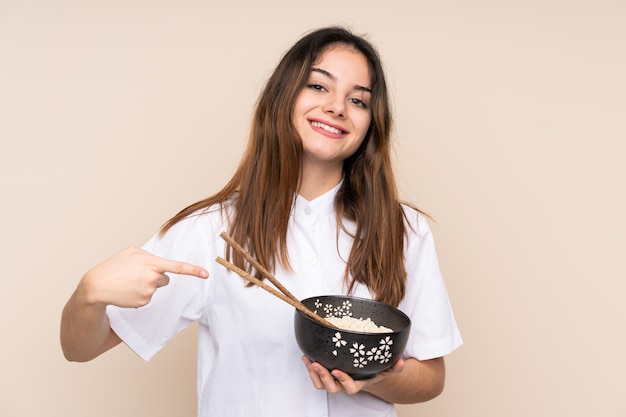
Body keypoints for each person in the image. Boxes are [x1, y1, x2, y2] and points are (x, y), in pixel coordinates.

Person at [60, 26, 462, 417]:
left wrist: (368, 377)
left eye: (358, 100)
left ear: (371, 122)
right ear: (283, 96)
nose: (337, 107)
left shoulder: (404, 229)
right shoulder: (210, 230)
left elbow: (431, 378)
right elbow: (79, 348)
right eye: (318, 86)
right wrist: (88, 293)